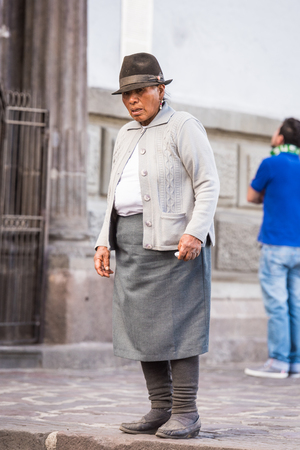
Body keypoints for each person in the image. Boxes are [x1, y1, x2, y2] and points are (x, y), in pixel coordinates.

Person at [94, 52, 220, 439]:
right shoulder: (124, 134)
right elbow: (114, 190)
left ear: (160, 90)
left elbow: (208, 183)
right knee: (142, 329)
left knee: (180, 327)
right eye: (126, 94)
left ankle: (186, 411)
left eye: (139, 91)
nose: (132, 100)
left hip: (177, 246)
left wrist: (196, 231)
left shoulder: (183, 125)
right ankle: (159, 408)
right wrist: (103, 241)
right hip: (131, 243)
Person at [245, 118, 300, 379]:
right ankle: (296, 362)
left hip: (276, 244)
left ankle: (278, 361)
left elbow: (251, 196)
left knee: (277, 305)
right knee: (297, 305)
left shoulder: (271, 163)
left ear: (280, 138)